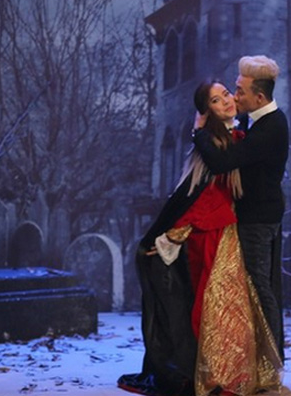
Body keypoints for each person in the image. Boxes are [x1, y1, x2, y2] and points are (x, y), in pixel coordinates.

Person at [118, 80, 282, 396]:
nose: (227, 101)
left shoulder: (236, 139)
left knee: (229, 307)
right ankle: (217, 376)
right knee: (217, 307)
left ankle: (231, 374)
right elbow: (200, 195)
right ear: (207, 112)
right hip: (210, 235)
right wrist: (172, 235)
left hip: (226, 231)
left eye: (227, 94)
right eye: (217, 100)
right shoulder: (213, 146)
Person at [193, 55, 289, 360]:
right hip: (256, 215)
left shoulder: (270, 128)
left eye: (239, 91)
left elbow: (222, 162)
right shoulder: (257, 121)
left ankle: (271, 359)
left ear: (259, 97)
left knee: (260, 286)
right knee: (257, 284)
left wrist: (199, 132)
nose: (234, 97)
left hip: (258, 219)